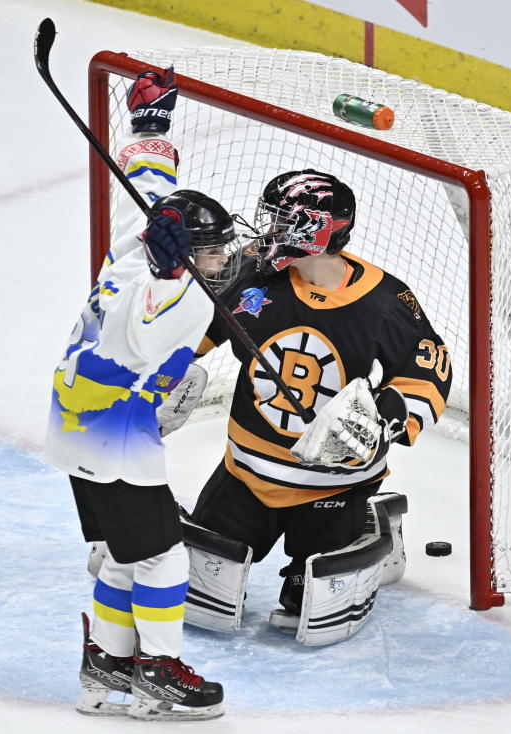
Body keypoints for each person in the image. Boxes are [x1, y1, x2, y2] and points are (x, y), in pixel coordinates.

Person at [44, 68, 240, 720]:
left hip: (74, 423)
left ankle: (107, 661)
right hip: (114, 435)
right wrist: (164, 281)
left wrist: (150, 124)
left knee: (128, 557)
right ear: (187, 256)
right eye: (213, 253)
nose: (221, 261)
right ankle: (157, 670)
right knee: (160, 557)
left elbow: (149, 185)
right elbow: (135, 337)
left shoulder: (134, 246)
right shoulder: (176, 298)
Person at [186, 169, 452, 645]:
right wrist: (157, 375)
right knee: (200, 593)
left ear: (316, 228)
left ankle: (374, 523)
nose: (268, 231)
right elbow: (193, 332)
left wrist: (389, 418)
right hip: (245, 473)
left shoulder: (384, 301)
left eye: (283, 220)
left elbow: (428, 373)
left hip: (331, 484)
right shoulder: (252, 270)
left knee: (310, 603)